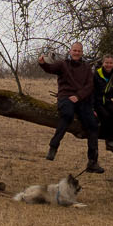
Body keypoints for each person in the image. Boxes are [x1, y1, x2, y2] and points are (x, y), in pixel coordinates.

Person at [37, 42, 103, 172]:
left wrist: (78, 96)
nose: (77, 53)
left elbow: (90, 86)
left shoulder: (87, 67)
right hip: (65, 97)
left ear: (82, 53)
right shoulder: (63, 64)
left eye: (79, 51)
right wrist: (42, 63)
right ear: (70, 51)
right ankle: (53, 147)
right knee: (67, 115)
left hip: (81, 99)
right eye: (74, 50)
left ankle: (92, 162)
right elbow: (51, 68)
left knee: (93, 125)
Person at [91, 53, 113, 153]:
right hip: (97, 101)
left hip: (108, 101)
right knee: (105, 116)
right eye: (106, 63)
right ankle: (108, 140)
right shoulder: (96, 74)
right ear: (102, 63)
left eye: (110, 63)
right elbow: (91, 92)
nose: (108, 65)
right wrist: (92, 108)